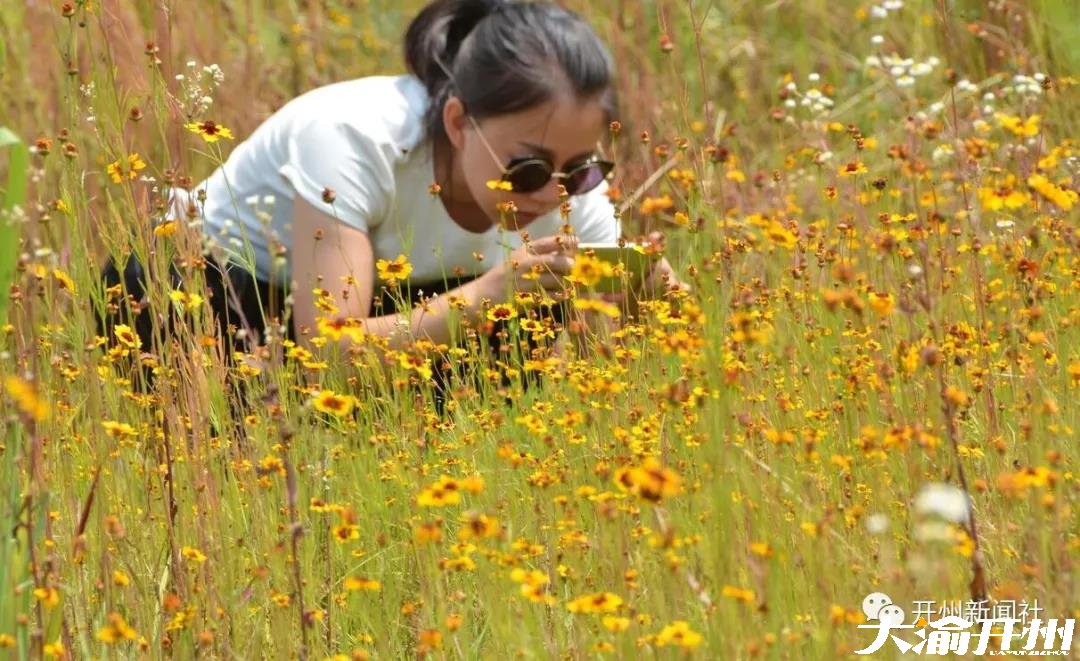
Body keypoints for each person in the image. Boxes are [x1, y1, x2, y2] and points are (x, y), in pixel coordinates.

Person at [98, 0, 681, 376]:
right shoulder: (350, 136)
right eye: (528, 169)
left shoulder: (568, 191)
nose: (555, 193)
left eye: (580, 169)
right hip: (201, 295)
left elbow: (581, 358)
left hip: (383, 309)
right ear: (457, 121)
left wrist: (639, 306)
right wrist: (489, 295)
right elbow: (326, 353)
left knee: (532, 306)